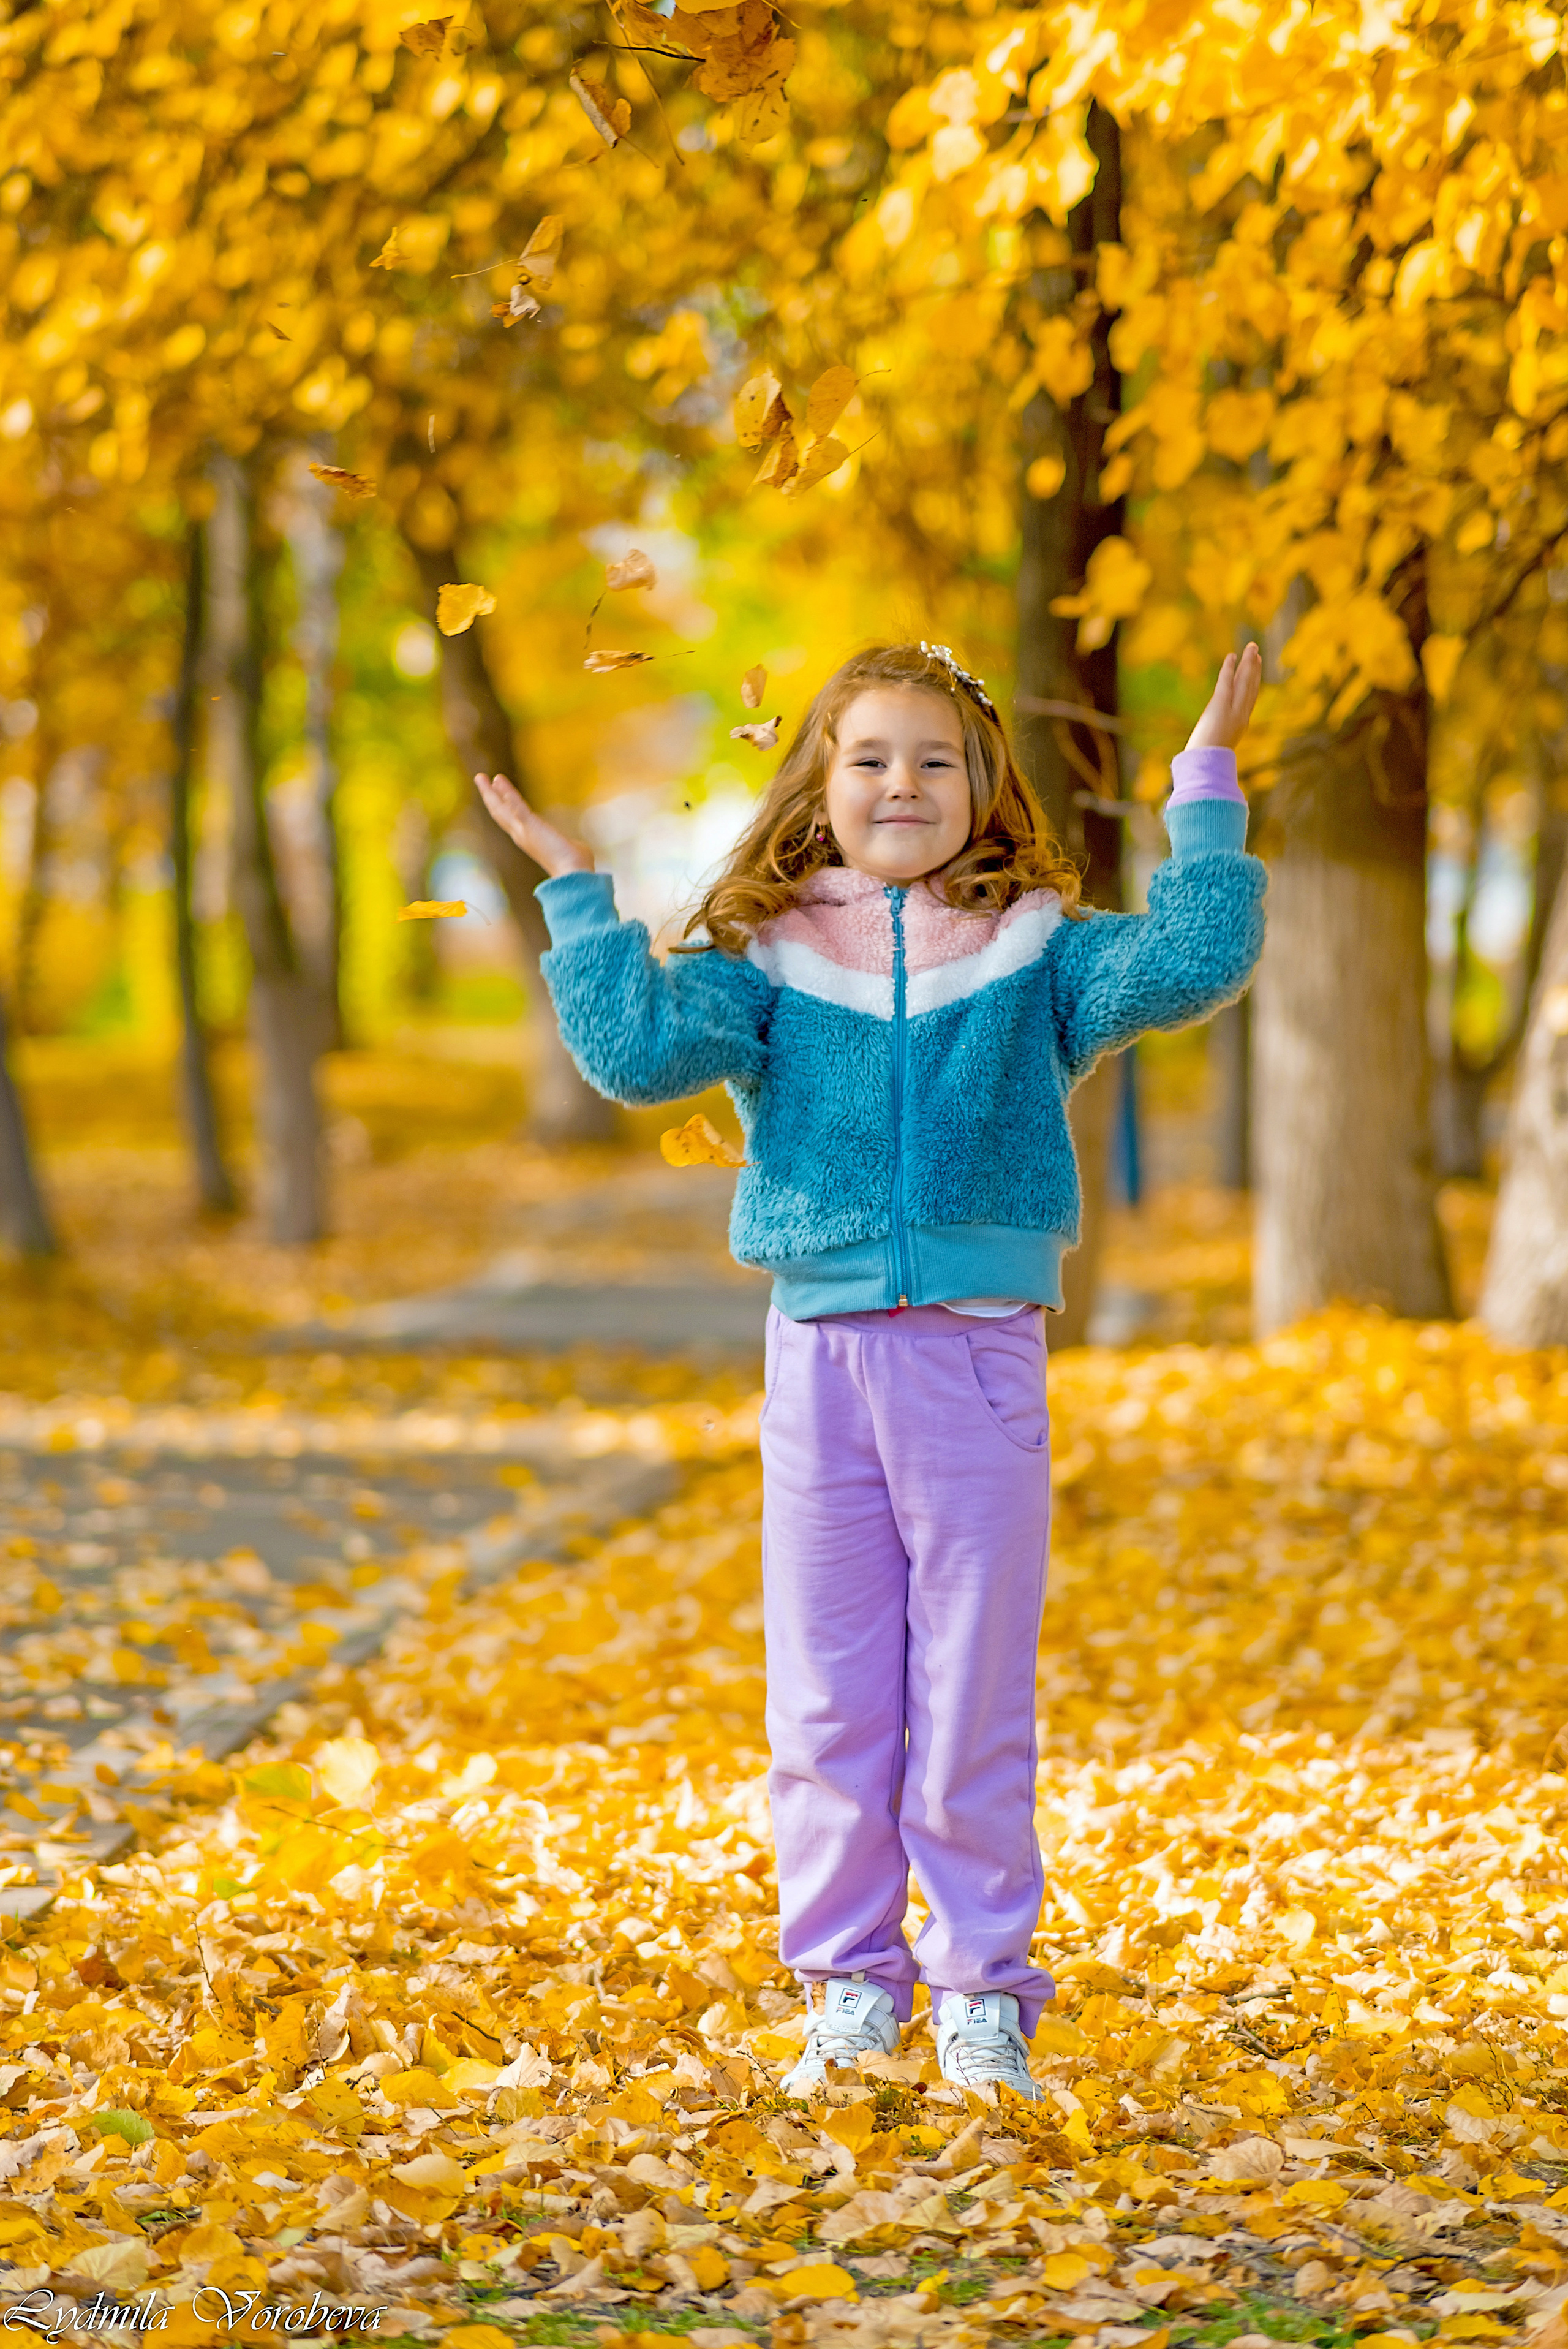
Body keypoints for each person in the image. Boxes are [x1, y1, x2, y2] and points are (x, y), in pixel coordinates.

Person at [475, 638, 1264, 2100]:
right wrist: (580, 898)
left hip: (973, 1363)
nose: (902, 781)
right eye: (869, 759)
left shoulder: (1036, 951)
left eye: (934, 758)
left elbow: (1196, 956)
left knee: (968, 1693)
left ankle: (979, 1993)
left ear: (981, 788)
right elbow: (634, 1059)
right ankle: (848, 1983)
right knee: (830, 1698)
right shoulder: (765, 958)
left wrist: (1200, 786)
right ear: (818, 789)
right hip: (818, 1364)